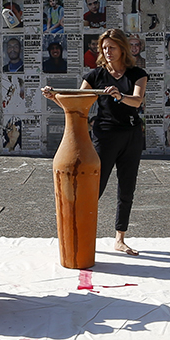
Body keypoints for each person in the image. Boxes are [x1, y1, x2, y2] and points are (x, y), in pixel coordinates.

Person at [44, 28, 147, 256]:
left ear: (122, 48)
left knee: (127, 187)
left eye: (112, 47)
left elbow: (137, 101)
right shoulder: (94, 76)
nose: (107, 52)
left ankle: (120, 238)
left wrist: (119, 95)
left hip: (131, 135)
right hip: (105, 136)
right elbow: (76, 105)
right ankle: (79, 231)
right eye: (104, 48)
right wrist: (55, 98)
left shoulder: (137, 73)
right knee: (93, 188)